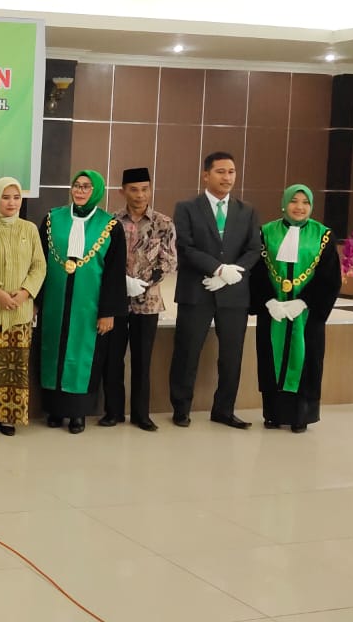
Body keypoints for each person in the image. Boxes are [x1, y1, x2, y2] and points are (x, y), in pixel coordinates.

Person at [168, 152, 261, 429]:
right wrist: (218, 269)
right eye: (221, 171)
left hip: (233, 294)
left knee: (231, 356)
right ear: (206, 175)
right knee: (187, 352)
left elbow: (254, 249)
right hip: (197, 291)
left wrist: (232, 274)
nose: (227, 177)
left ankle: (224, 410)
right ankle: (181, 409)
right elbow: (184, 247)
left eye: (231, 172)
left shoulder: (247, 211)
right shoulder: (186, 208)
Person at [38, 170, 127, 434]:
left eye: (86, 187)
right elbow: (39, 261)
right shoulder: (53, 219)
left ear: (96, 190)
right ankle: (54, 409)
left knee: (82, 355)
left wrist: (108, 312)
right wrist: (36, 300)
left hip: (89, 305)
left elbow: (114, 273)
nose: (80, 191)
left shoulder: (110, 226)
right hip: (54, 301)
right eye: (76, 185)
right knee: (53, 350)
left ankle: (78, 413)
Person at [249, 185, 340, 433]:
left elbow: (329, 277)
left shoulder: (323, 235)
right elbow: (256, 271)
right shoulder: (266, 232)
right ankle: (273, 414)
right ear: (284, 203)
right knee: (271, 359)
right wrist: (269, 301)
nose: (299, 207)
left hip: (307, 314)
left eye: (305, 202)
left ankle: (302, 416)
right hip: (274, 312)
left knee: (306, 361)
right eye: (294, 201)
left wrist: (303, 302)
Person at [99, 167, 176, 433]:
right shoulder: (110, 222)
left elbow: (169, 261)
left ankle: (142, 415)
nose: (140, 195)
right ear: (123, 192)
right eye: (134, 189)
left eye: (145, 189)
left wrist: (144, 282)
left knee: (143, 360)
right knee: (113, 359)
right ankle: (113, 412)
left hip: (148, 302)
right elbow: (103, 258)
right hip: (115, 301)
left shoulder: (163, 223)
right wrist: (121, 281)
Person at [0, 177, 45, 436]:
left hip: (21, 311)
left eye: (16, 197)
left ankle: (10, 418)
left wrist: (25, 292)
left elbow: (39, 266)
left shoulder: (30, 229)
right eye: (6, 197)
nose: (12, 203)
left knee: (17, 366)